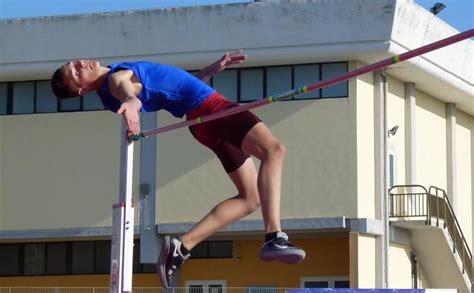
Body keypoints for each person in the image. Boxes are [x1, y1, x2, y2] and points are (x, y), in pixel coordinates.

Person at [51, 51, 306, 287]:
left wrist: (209, 72)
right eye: (75, 72)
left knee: (250, 197)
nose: (81, 64)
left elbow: (171, 88)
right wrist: (131, 102)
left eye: (75, 63)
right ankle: (274, 237)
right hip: (212, 109)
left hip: (201, 118)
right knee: (274, 150)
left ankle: (182, 247)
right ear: (82, 89)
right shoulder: (116, 79)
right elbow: (125, 88)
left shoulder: (115, 80)